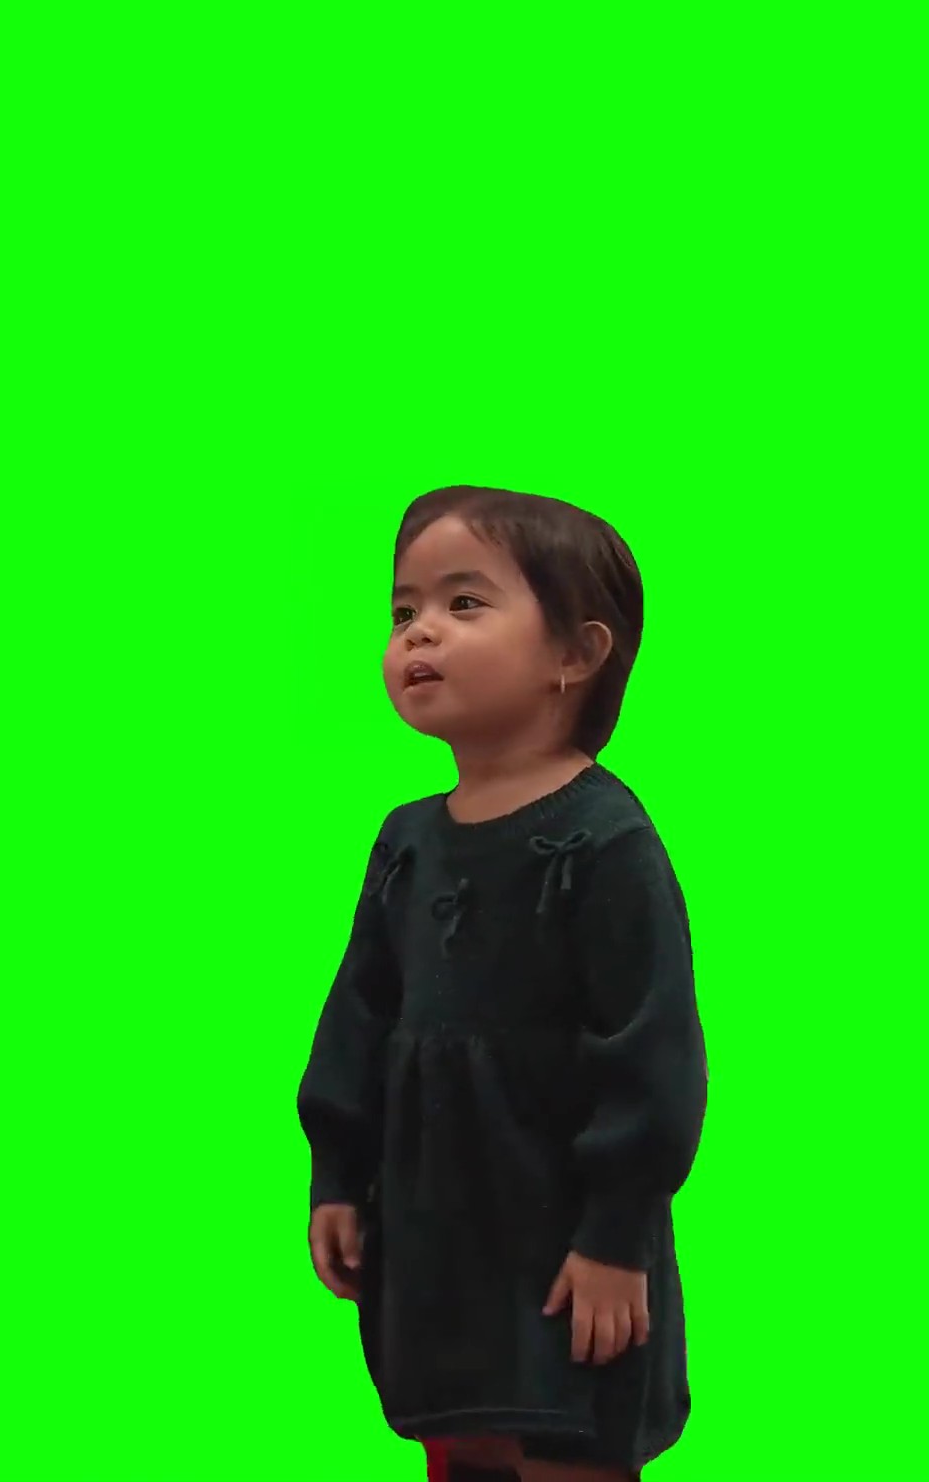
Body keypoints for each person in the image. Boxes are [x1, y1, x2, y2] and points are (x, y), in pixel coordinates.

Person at [297, 485, 709, 1482]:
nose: (419, 631)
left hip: (565, 1245)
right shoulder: (405, 841)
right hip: (434, 1240)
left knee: (567, 1441)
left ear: (577, 653)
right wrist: (337, 1175)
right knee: (462, 1435)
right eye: (404, 609)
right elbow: (358, 1018)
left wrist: (614, 1237)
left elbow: (651, 1054)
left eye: (464, 602)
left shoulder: (605, 841)